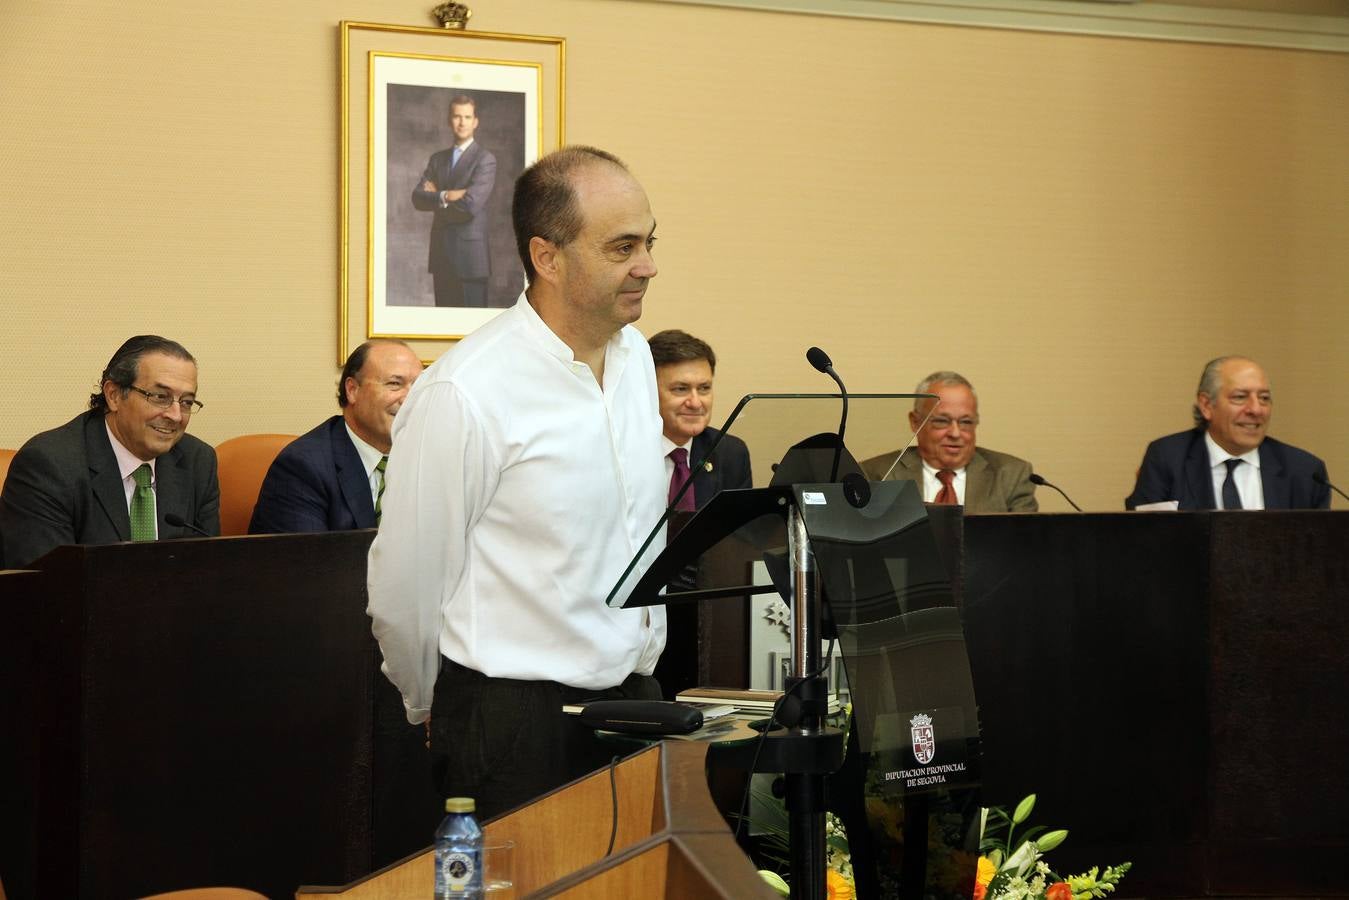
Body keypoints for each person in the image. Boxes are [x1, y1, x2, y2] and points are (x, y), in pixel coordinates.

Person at [367, 145, 667, 820]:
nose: (647, 265)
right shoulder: (465, 391)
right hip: (513, 720)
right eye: (622, 248)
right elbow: (407, 582)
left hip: (634, 702)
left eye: (649, 242)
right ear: (547, 257)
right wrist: (428, 702)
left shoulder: (638, 360)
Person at [0, 335, 219, 569]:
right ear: (114, 395)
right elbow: (47, 583)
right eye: (160, 397)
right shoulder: (48, 466)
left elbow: (210, 569)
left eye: (186, 402)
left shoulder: (198, 462)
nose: (175, 415)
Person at [249, 340, 423, 533]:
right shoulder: (302, 467)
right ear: (352, 390)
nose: (410, 400)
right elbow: (307, 552)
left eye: (418, 387)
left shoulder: (429, 458)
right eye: (394, 384)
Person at [1126, 356, 1329, 510]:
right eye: (1240, 397)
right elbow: (1143, 539)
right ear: (1206, 405)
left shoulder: (1305, 472)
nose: (1256, 409)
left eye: (1264, 398)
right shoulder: (1167, 459)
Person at [861, 371, 1037, 513]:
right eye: (942, 421)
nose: (955, 433)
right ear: (915, 422)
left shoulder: (1011, 475)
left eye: (966, 422)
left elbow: (1024, 542)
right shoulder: (876, 474)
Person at [648, 329, 752, 512]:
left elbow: (741, 528)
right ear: (648, 391)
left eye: (704, 388)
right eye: (681, 389)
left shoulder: (730, 453)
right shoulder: (620, 452)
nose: (696, 403)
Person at [411, 94, 497, 308]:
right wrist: (447, 195)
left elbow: (469, 206)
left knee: (473, 326)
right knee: (443, 323)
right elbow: (417, 198)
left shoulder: (485, 159)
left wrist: (436, 197)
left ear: (475, 122)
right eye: (457, 116)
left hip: (471, 260)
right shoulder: (437, 159)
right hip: (442, 256)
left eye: (467, 117)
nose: (462, 122)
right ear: (449, 120)